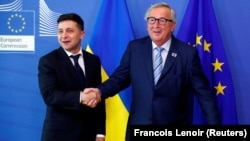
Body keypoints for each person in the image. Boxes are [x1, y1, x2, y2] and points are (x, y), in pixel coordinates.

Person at [83, 2, 221, 140]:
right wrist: (99, 91)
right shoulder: (135, 48)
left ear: (173, 26)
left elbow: (204, 95)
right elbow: (119, 79)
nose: (156, 25)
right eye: (151, 20)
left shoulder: (187, 54)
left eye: (162, 21)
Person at [38, 13, 105, 141]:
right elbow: (49, 95)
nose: (64, 36)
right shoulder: (48, 61)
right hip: (59, 135)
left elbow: (98, 97)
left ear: (81, 34)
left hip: (89, 134)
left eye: (69, 31)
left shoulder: (93, 60)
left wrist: (100, 133)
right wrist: (81, 97)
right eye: (60, 31)